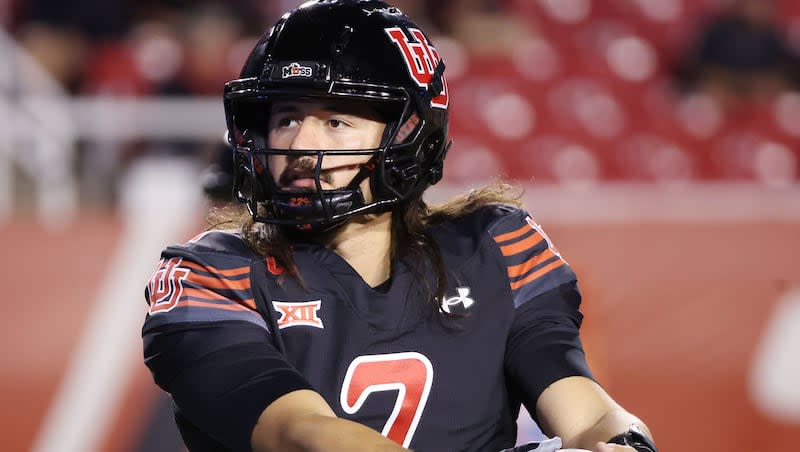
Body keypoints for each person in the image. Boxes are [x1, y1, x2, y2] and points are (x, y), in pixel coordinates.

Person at [141, 1, 658, 451]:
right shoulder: (212, 272)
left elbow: (587, 410)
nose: (298, 147)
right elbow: (303, 433)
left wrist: (621, 443)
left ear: (410, 133)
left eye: (336, 121)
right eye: (286, 118)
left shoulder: (493, 246)